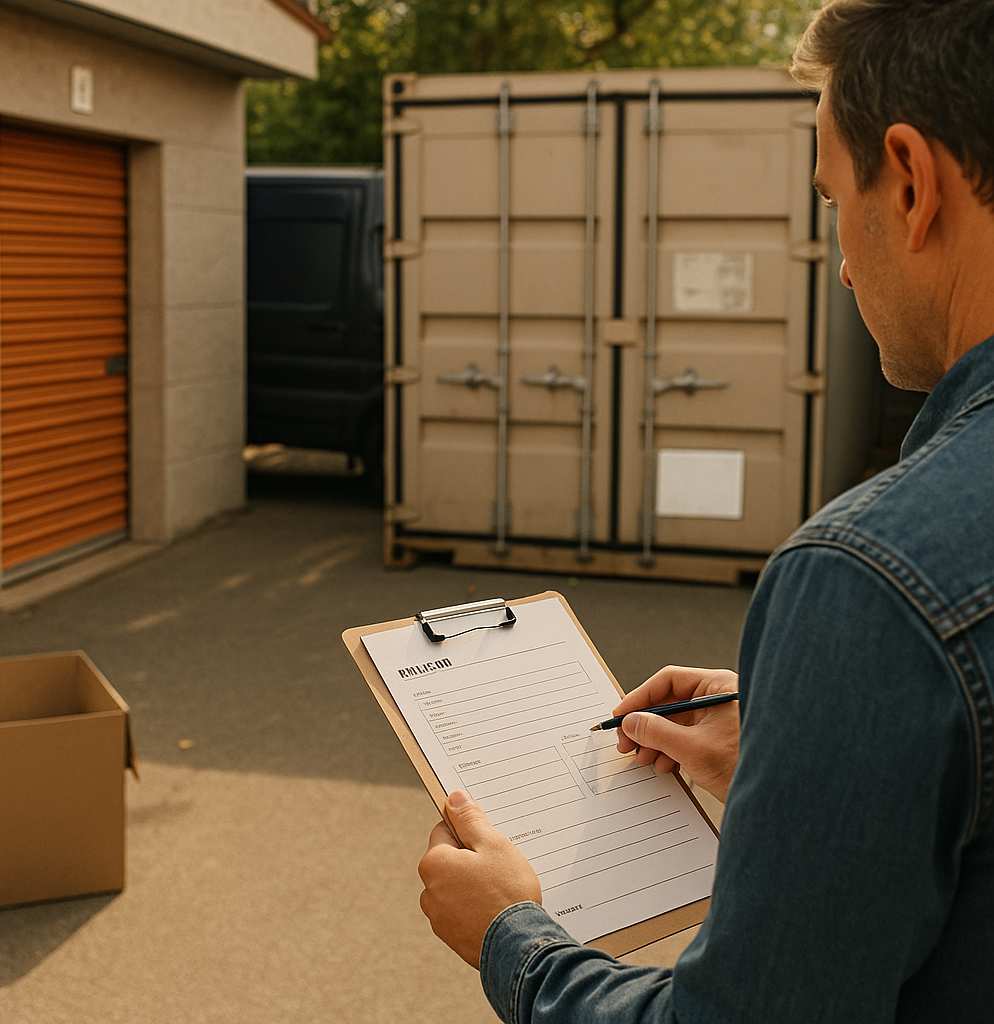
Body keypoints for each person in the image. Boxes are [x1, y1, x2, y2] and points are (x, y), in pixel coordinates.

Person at [416, 1, 994, 1020]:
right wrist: (810, 732)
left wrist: (511, 936)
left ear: (908, 182)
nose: (842, 262)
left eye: (832, 197)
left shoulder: (871, 581)